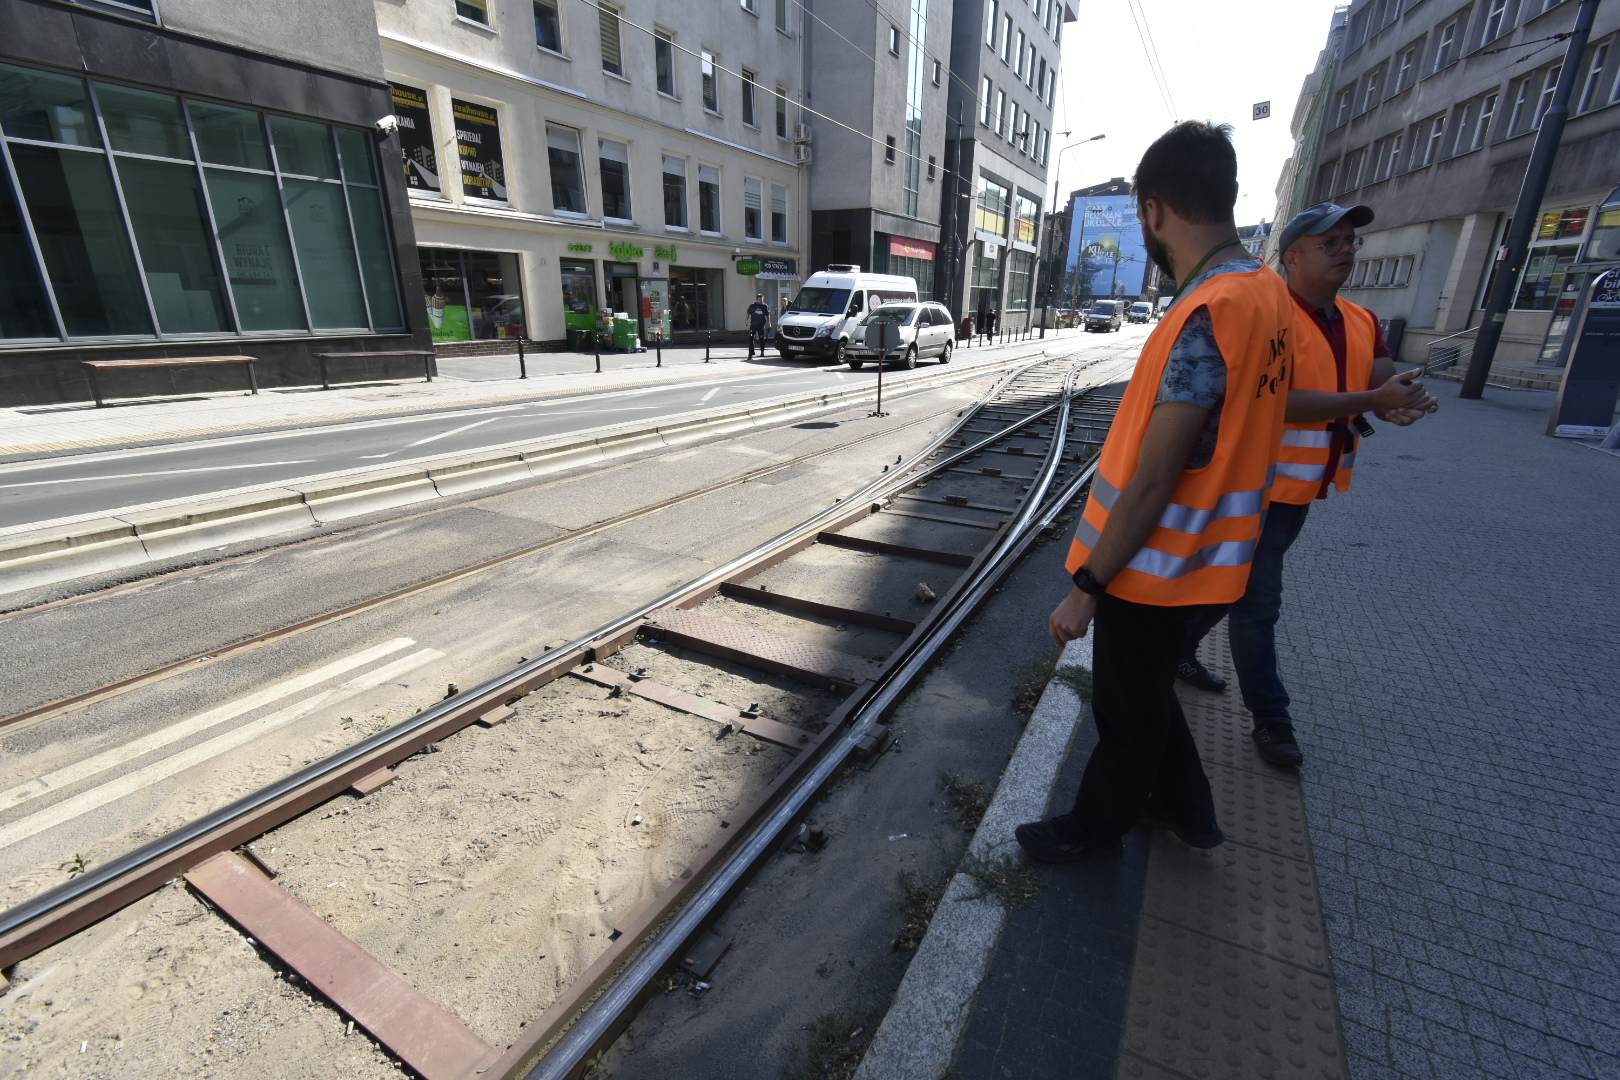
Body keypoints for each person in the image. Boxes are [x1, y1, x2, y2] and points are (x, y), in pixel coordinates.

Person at [1015, 121, 1295, 863]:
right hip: (1218, 560)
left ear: (1153, 210)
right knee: (1146, 695)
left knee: (1125, 707)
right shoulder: (1266, 294)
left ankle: (1094, 827)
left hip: (1161, 566)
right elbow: (1268, 407)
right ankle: (1188, 809)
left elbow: (1155, 476)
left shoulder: (1206, 314)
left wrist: (1087, 588)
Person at [1173, 202, 1437, 767]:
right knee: (1257, 604)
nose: (1345, 250)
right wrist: (1371, 402)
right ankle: (1272, 719)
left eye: (1349, 241)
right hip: (1252, 487)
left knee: (1235, 589)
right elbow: (1274, 399)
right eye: (1329, 242)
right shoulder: (1270, 317)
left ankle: (1175, 650)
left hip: (1301, 493)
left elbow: (1381, 374)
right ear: (1291, 258)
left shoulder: (1361, 321)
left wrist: (1403, 397)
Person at [746, 293, 772, 357]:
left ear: (763, 299)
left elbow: (768, 315)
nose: (760, 301)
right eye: (759, 299)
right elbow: (748, 313)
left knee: (761, 339)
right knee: (751, 338)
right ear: (757, 299)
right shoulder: (752, 306)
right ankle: (750, 353)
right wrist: (746, 320)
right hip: (753, 325)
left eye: (762, 299)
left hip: (761, 325)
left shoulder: (765, 306)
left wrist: (769, 323)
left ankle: (762, 352)